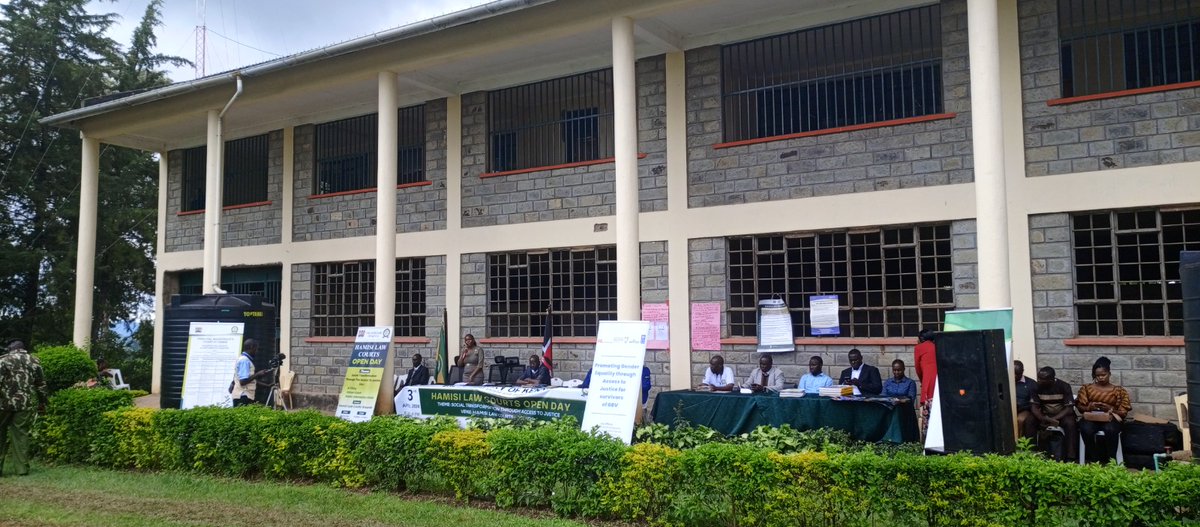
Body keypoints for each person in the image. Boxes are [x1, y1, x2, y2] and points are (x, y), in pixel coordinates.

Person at [0, 340, 46, 476]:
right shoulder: (34, 361)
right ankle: (22, 469)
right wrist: (42, 402)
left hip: (3, 403)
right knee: (21, 434)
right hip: (25, 403)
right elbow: (41, 385)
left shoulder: (3, 360)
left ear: (11, 349)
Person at [1075, 356, 1131, 463]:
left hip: (1111, 418)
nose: (1101, 377)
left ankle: (1111, 460)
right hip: (1091, 418)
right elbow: (1080, 407)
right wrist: (1089, 407)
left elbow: (1123, 413)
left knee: (1111, 430)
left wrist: (1110, 409)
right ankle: (1094, 459)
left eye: (1103, 375)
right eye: (1098, 376)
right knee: (1086, 429)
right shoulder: (1086, 388)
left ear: (1109, 374)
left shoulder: (1118, 390)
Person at [1030, 366, 1078, 461]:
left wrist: (1053, 419)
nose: (1039, 380)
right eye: (1038, 378)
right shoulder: (1035, 386)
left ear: (1052, 379)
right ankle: (1031, 452)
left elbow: (1069, 409)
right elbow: (1034, 407)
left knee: (1070, 423)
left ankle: (1070, 457)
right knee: (1030, 420)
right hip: (1045, 415)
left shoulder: (1064, 386)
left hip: (1062, 415)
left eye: (1042, 379)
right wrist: (1044, 418)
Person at [231, 339, 273, 407]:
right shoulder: (244, 360)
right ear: (251, 347)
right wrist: (257, 374)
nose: (256, 351)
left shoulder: (244, 359)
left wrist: (266, 385)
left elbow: (250, 380)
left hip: (244, 395)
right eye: (256, 349)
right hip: (243, 396)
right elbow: (243, 381)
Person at [913, 328, 937, 435]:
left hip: (928, 382)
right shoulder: (938, 345)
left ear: (921, 338)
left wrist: (922, 381)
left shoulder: (919, 348)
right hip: (940, 383)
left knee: (928, 412)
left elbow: (918, 369)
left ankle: (927, 436)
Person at [1014, 360, 1037, 440]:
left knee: (1019, 420)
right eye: (1013, 373)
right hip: (1008, 408)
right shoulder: (1005, 381)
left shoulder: (1031, 383)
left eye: (1018, 374)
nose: (1015, 376)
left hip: (1024, 409)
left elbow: (1034, 402)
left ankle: (1019, 444)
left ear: (1022, 371)